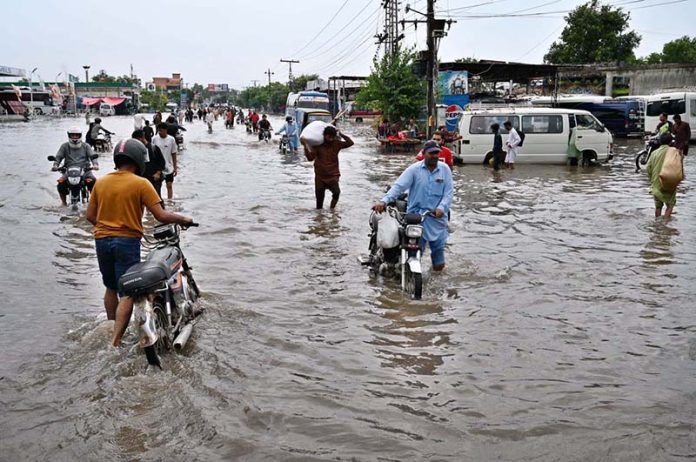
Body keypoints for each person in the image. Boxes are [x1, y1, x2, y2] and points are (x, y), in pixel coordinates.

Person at [85, 139, 193, 347]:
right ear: (138, 159)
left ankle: (111, 327)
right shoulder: (141, 183)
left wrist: (108, 227)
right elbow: (161, 215)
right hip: (126, 242)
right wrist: (183, 219)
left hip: (101, 240)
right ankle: (115, 342)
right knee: (128, 292)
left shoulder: (101, 182)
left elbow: (90, 215)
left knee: (110, 287)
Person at [372, 140, 453, 271]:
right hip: (416, 218)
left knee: (439, 262)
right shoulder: (414, 170)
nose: (435, 156)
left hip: (437, 219)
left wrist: (441, 208)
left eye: (437, 153)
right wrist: (383, 201)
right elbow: (398, 187)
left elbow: (448, 193)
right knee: (413, 252)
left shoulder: (445, 170)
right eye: (432, 153)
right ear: (424, 153)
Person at [302, 125, 354, 210]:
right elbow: (310, 158)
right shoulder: (318, 145)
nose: (330, 139)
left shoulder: (336, 144)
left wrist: (341, 134)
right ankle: (319, 220)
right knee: (319, 204)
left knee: (337, 193)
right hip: (320, 177)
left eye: (332, 137)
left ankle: (332, 210)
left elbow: (350, 143)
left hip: (333, 176)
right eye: (329, 136)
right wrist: (305, 146)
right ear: (324, 135)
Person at [52, 127, 99, 206]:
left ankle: (94, 202)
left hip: (85, 171)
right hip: (68, 171)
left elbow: (92, 156)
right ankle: (63, 203)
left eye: (76, 135)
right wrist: (55, 165)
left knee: (94, 181)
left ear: (80, 136)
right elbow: (58, 157)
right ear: (69, 136)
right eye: (72, 135)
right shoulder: (64, 146)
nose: (74, 137)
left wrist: (95, 165)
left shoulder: (86, 146)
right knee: (61, 183)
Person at [646, 132, 678, 219]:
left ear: (660, 141)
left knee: (658, 206)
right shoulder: (674, 152)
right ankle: (665, 225)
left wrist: (652, 179)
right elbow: (678, 168)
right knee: (670, 204)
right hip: (669, 182)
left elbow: (648, 168)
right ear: (671, 142)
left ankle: (658, 226)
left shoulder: (654, 153)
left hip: (656, 182)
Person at [133, 129, 165, 199]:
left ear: (141, 138)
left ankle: (162, 210)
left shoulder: (154, 148)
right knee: (141, 199)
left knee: (156, 198)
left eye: (136, 140)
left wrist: (158, 173)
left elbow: (162, 162)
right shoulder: (136, 150)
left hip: (154, 179)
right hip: (142, 179)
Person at [152, 123, 178, 199]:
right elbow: (152, 153)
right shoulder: (154, 139)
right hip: (158, 168)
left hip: (168, 167)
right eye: (159, 130)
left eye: (161, 130)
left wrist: (175, 167)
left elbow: (174, 153)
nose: (160, 132)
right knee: (157, 187)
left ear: (166, 130)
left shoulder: (171, 139)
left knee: (169, 185)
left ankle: (170, 202)